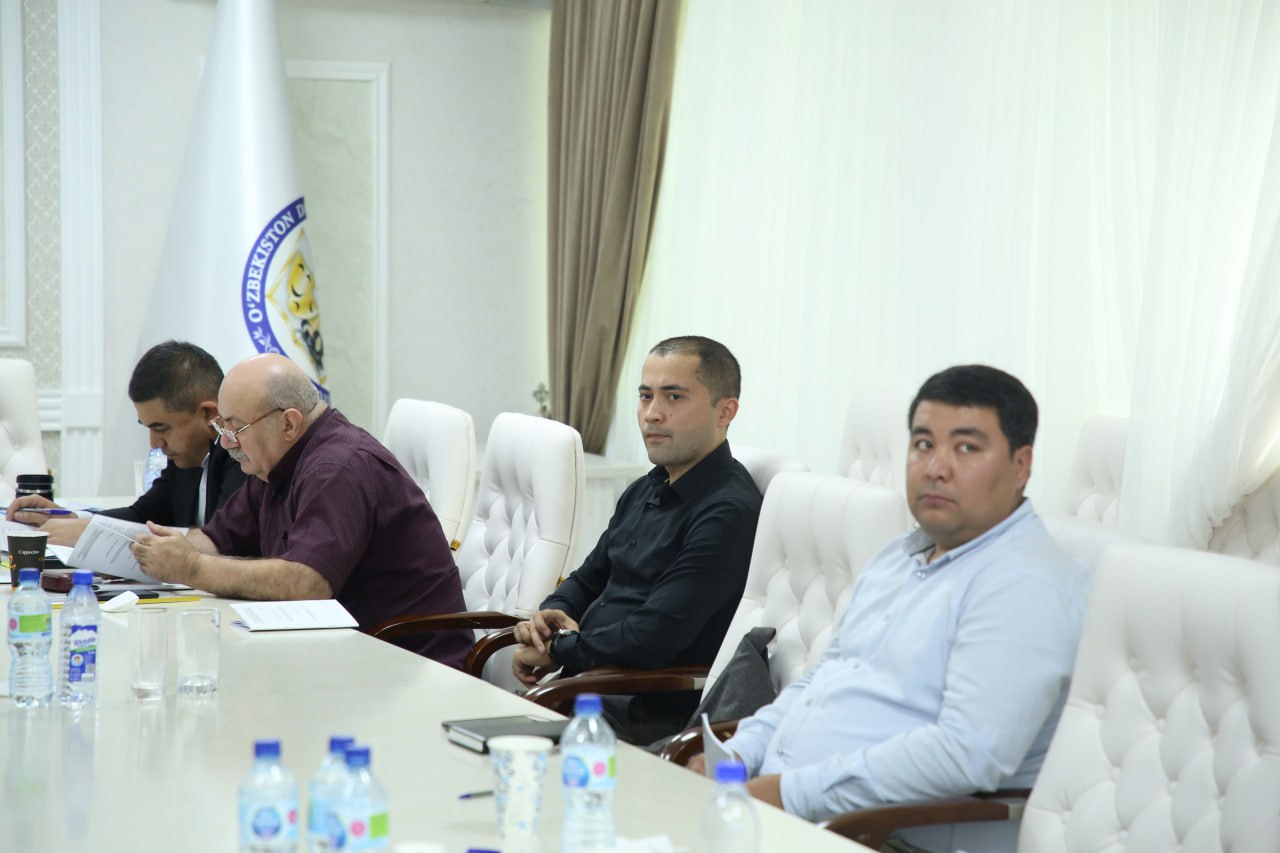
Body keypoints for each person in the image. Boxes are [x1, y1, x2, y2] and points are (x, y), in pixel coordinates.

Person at [689, 365, 1089, 822]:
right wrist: (739, 752)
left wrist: (787, 793)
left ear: (1021, 466)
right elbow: (825, 677)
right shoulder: (899, 555)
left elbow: (966, 754)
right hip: (784, 810)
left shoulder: (1025, 587)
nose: (936, 468)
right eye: (923, 444)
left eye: (966, 448)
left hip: (879, 834)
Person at [129, 353, 473, 668]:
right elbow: (217, 541)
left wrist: (192, 567)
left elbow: (307, 584)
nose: (227, 442)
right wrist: (155, 549)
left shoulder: (339, 468)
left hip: (409, 665)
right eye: (223, 428)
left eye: (236, 428)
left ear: (289, 424)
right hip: (340, 654)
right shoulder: (271, 464)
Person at [511, 336, 763, 743]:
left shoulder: (728, 512)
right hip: (579, 694)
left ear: (726, 411)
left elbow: (651, 639)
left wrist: (557, 649)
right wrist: (552, 615)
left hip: (635, 718)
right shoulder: (647, 487)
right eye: (645, 396)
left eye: (674, 397)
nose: (652, 414)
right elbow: (589, 578)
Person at [6, 341, 247, 544]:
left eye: (161, 428)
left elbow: (223, 541)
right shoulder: (188, 454)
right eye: (148, 427)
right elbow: (143, 515)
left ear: (209, 414)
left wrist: (90, 533)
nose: (154, 443)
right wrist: (72, 520)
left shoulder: (245, 458)